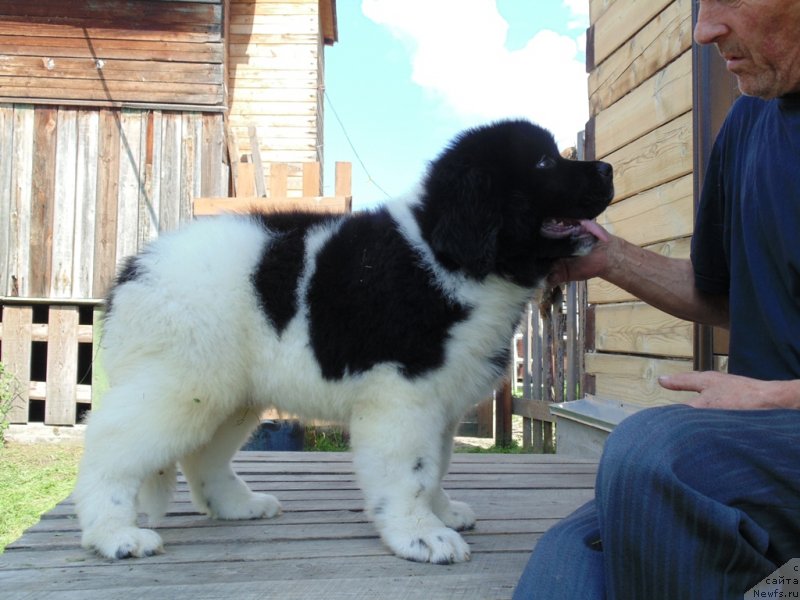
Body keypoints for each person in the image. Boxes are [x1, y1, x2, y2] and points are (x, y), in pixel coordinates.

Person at [513, 1, 800, 598]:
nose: (703, 30)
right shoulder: (749, 122)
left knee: (650, 453)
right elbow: (718, 294)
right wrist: (612, 258)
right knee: (568, 557)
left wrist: (775, 396)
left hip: (770, 426)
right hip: (755, 444)